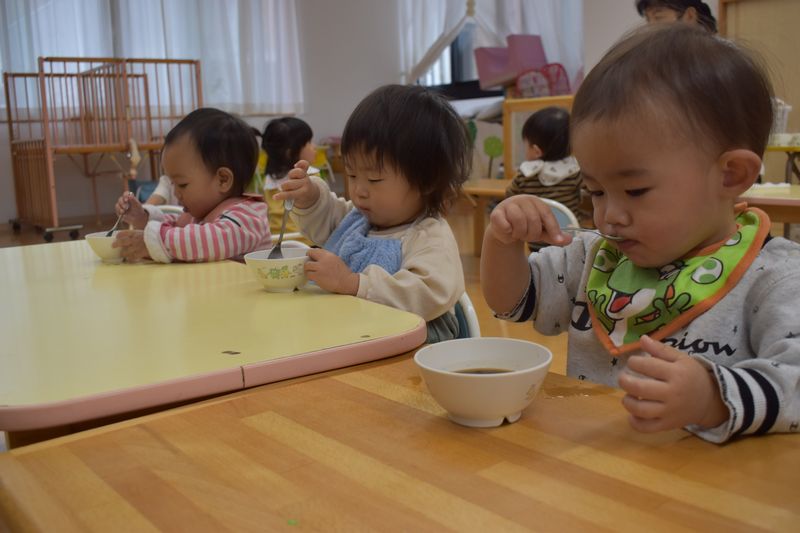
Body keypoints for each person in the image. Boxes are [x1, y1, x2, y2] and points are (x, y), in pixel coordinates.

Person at [480, 24, 800, 443]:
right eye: (595, 191)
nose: (609, 216)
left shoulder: (775, 278)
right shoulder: (594, 257)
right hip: (598, 468)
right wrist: (502, 242)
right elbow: (512, 302)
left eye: (635, 191)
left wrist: (712, 398)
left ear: (730, 175)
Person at [276, 84, 471, 342]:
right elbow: (329, 218)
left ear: (426, 182)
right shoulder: (358, 219)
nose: (358, 190)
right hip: (355, 334)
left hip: (415, 342)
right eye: (352, 174)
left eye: (374, 179)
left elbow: (427, 293)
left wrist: (354, 283)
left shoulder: (428, 236)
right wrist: (311, 197)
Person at [113, 108, 271, 263]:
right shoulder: (198, 214)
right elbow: (175, 228)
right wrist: (143, 218)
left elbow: (205, 241)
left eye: (182, 184)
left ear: (223, 180)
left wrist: (153, 242)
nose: (175, 193)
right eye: (172, 184)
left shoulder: (247, 218)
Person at [505, 105, 581, 225]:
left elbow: (510, 196)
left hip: (535, 231)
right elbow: (592, 189)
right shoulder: (574, 172)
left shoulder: (525, 175)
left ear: (536, 151)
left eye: (526, 146)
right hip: (568, 231)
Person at [250, 117, 318, 236]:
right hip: (308, 240)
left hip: (277, 239)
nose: (315, 146)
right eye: (309, 142)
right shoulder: (311, 176)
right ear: (290, 152)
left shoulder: (269, 180)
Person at [636, 0, 717, 33]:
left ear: (690, 16)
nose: (650, 27)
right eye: (648, 19)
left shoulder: (716, 56)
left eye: (658, 17)